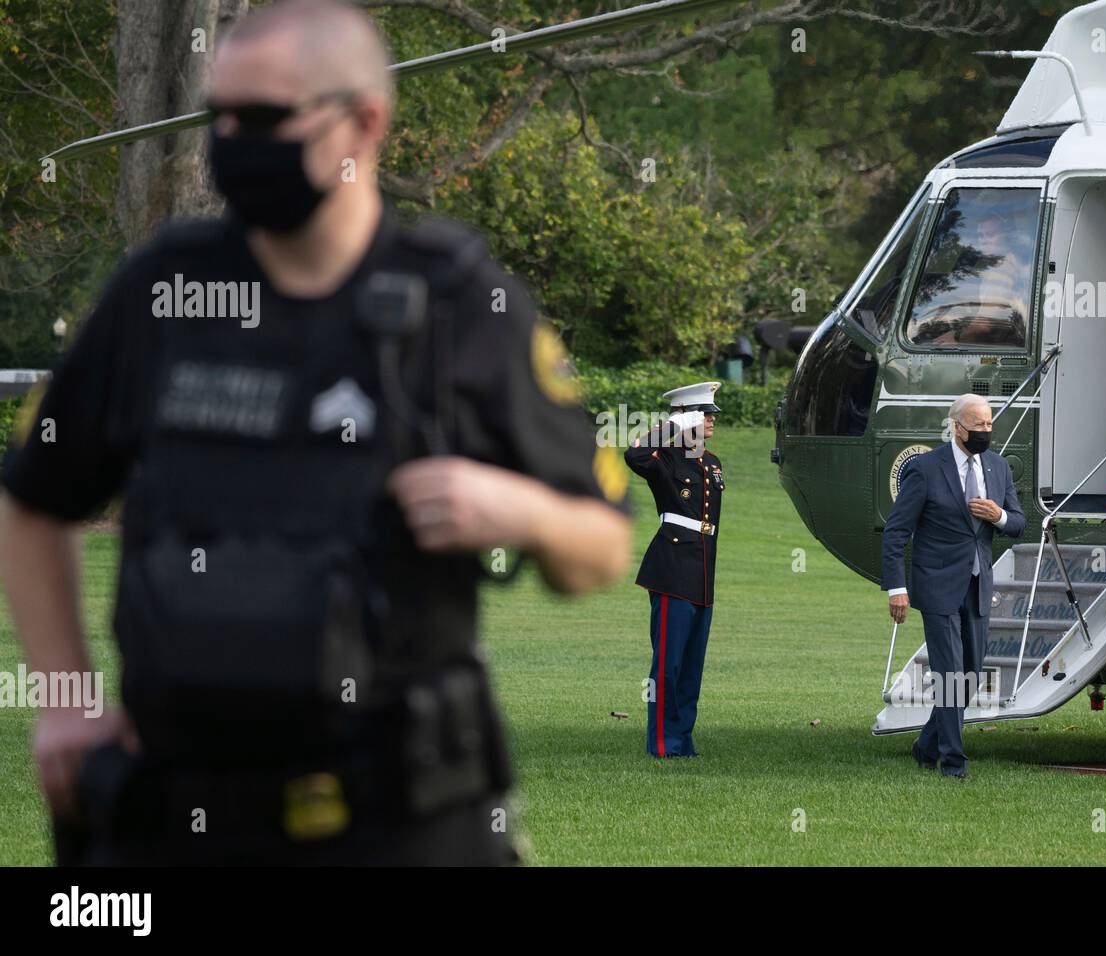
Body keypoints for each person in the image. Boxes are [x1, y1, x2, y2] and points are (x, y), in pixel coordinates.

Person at [0, 0, 631, 865]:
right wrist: (65, 698)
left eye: (262, 119)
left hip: (402, 823)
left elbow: (598, 545)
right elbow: (34, 500)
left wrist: (519, 512)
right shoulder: (163, 291)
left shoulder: (460, 309)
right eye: (218, 115)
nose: (231, 139)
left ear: (364, 121)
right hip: (181, 819)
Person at [881, 394, 1025, 779]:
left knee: (971, 675)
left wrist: (999, 515)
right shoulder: (926, 469)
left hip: (978, 583)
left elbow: (1019, 523)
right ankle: (953, 762)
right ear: (957, 426)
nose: (986, 431)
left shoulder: (997, 467)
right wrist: (896, 587)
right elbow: (897, 532)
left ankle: (925, 746)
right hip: (937, 585)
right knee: (949, 675)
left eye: (990, 424)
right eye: (979, 425)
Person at [624, 382, 724, 758]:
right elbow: (633, 455)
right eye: (705, 413)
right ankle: (663, 743)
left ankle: (684, 739)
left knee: (692, 667)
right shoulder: (665, 457)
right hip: (671, 568)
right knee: (668, 663)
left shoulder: (712, 462)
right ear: (687, 416)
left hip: (701, 572)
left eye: (711, 413)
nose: (712, 420)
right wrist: (672, 426)